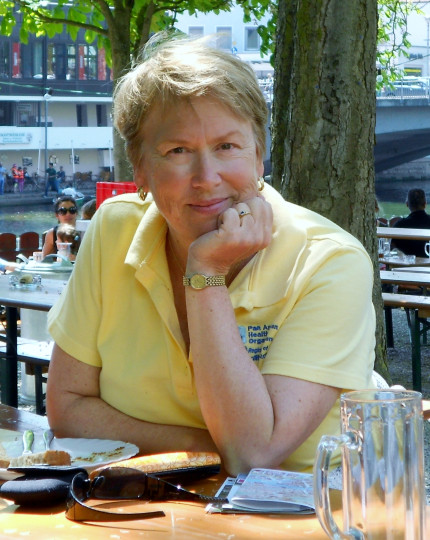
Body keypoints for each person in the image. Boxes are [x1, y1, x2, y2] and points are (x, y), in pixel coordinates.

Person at [46, 35, 375, 476]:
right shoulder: (115, 227)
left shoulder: (329, 262)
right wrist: (203, 451)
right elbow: (67, 409)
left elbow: (250, 454)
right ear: (139, 168)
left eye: (227, 146)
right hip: (150, 510)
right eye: (177, 151)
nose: (206, 178)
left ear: (259, 155)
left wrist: (207, 271)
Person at [392, 188, 430, 257]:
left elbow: (392, 247)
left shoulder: (400, 225)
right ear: (425, 204)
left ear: (407, 204)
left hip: (405, 266)